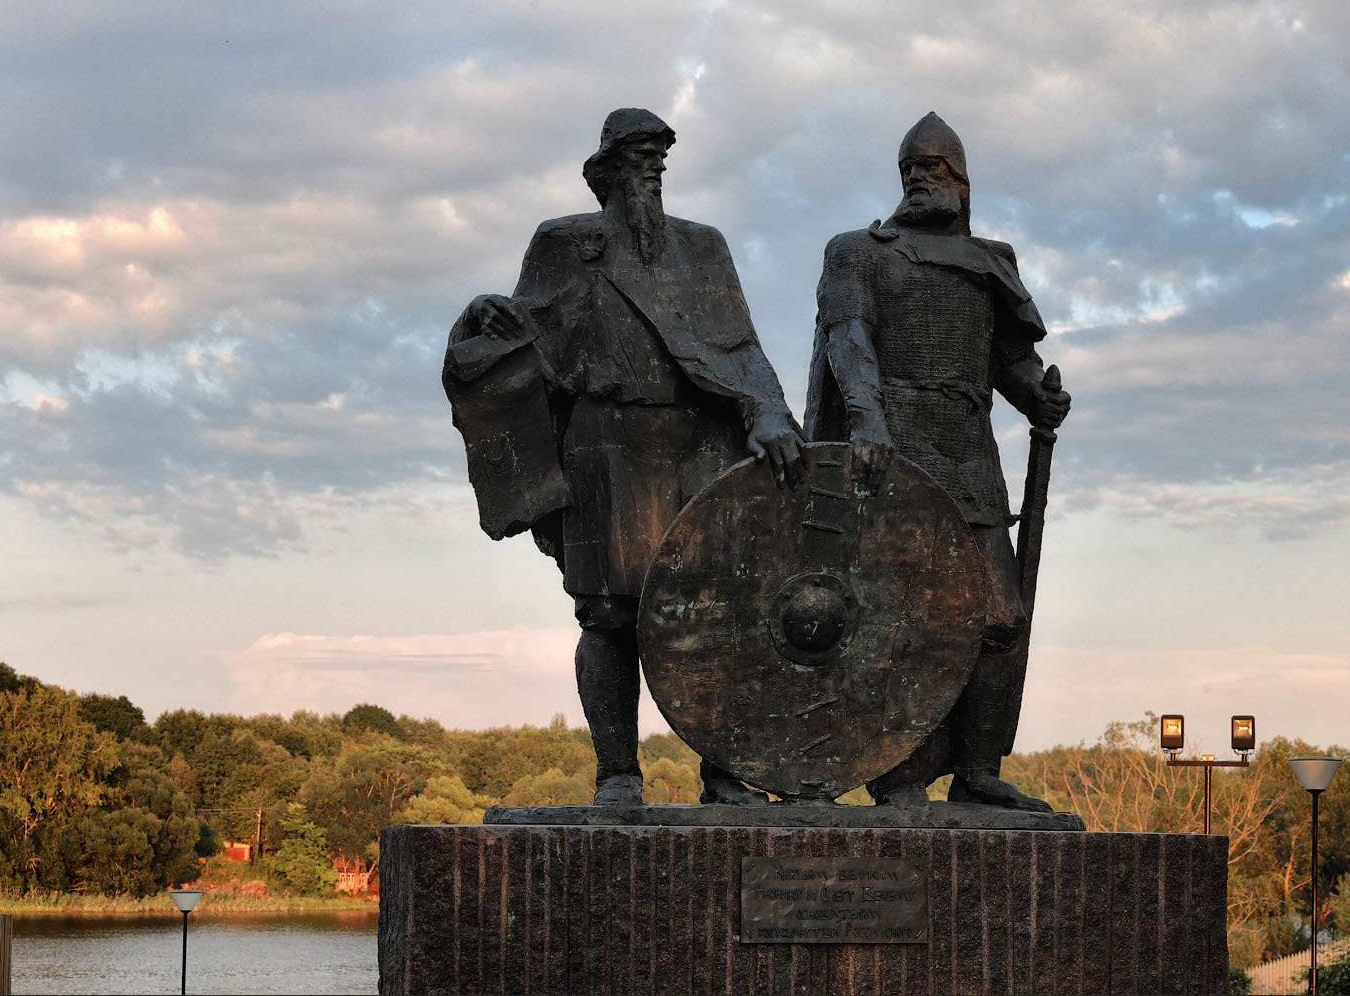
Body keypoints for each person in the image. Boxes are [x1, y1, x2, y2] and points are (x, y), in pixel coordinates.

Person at [444, 108, 806, 805]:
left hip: (702, 443)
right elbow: (526, 337)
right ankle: (617, 772)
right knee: (608, 614)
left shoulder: (704, 248)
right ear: (606, 170)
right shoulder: (563, 244)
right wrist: (480, 317)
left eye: (659, 159)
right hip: (605, 443)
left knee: (714, 614)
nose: (652, 170)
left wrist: (767, 413)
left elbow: (740, 349)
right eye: (638, 158)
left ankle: (725, 775)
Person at [804, 112, 1070, 809]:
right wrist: (866, 417)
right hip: (891, 449)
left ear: (961, 178)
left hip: (968, 450)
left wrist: (1035, 400)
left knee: (999, 615)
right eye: (909, 168)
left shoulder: (993, 262)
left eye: (933, 166)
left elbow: (1008, 358)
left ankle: (977, 769)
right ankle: (898, 773)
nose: (919, 177)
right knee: (899, 616)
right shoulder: (859, 252)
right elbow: (849, 337)